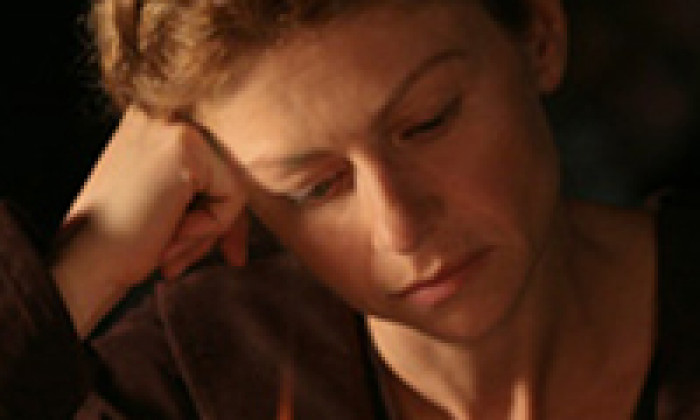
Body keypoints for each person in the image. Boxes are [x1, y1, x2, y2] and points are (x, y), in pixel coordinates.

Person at [1, 0, 699, 418]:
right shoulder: (193, 385)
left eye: (428, 122)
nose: (402, 229)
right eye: (313, 187)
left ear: (540, 36)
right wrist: (82, 271)